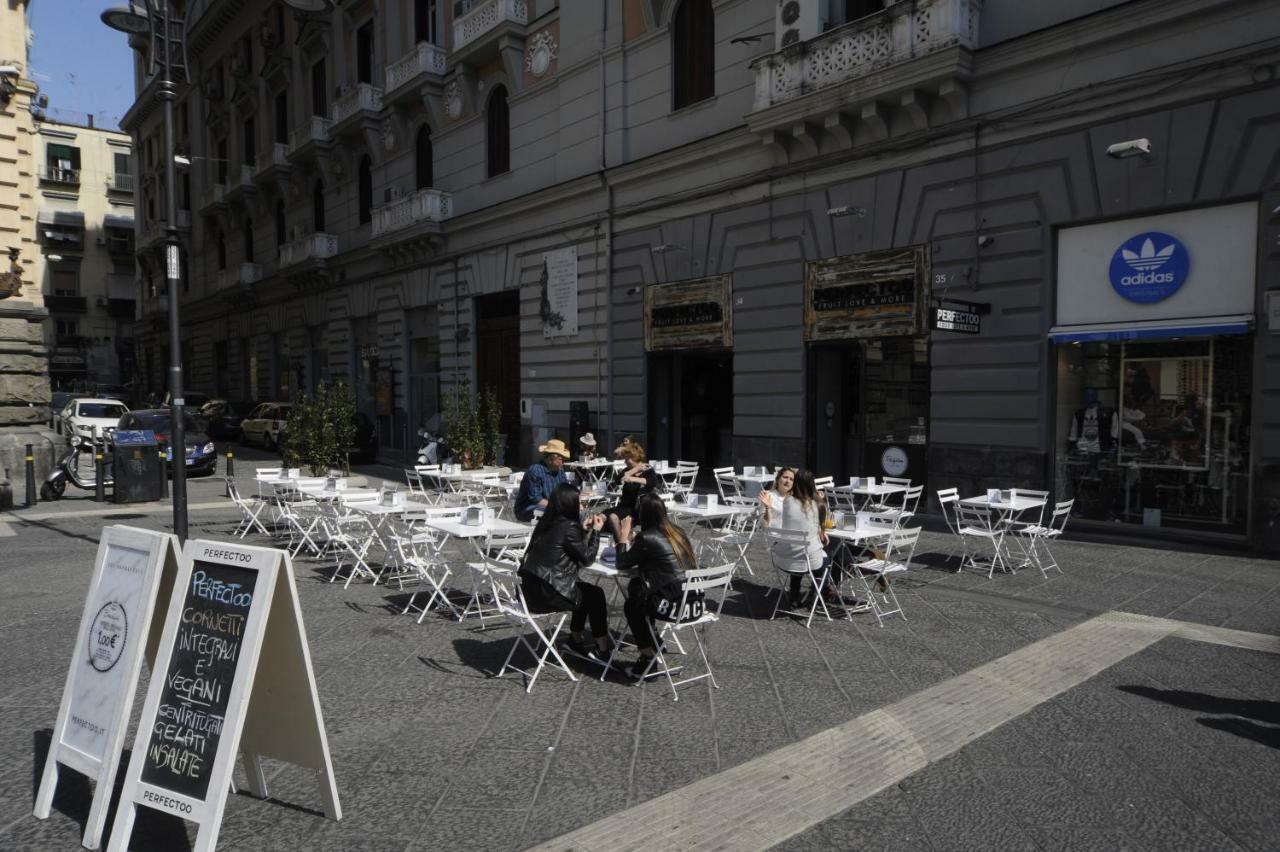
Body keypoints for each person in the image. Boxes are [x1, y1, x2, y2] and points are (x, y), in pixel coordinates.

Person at [517, 483, 612, 660]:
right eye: (580, 503)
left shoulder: (547, 522)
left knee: (583, 590)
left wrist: (584, 530)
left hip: (529, 591)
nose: (583, 507)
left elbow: (565, 545)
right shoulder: (569, 526)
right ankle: (602, 648)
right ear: (569, 504)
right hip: (547, 594)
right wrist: (596, 532)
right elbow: (587, 559)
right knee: (595, 594)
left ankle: (575, 639)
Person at [618, 493, 697, 679]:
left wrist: (623, 534)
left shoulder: (647, 537)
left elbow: (621, 563)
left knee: (632, 605)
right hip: (694, 603)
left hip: (675, 608)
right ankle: (655, 640)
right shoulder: (677, 531)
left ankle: (648, 656)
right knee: (637, 587)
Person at [604, 438, 663, 543]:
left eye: (627, 459)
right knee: (601, 516)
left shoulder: (648, 469)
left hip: (638, 509)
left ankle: (621, 546)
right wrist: (635, 470)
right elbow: (617, 481)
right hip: (624, 506)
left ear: (635, 458)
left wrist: (633, 479)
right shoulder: (627, 470)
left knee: (613, 517)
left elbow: (653, 482)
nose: (625, 461)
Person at [514, 439, 572, 522]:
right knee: (556, 513)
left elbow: (565, 491)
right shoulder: (535, 470)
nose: (563, 463)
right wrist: (557, 507)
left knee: (576, 512)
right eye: (561, 459)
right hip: (527, 508)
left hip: (550, 506)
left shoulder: (560, 471)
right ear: (550, 459)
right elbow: (536, 499)